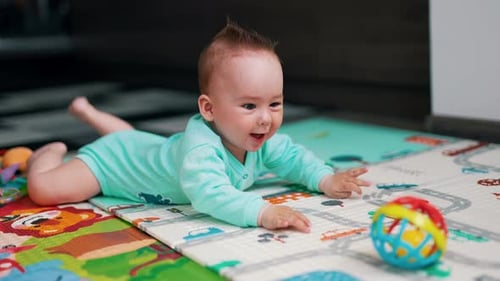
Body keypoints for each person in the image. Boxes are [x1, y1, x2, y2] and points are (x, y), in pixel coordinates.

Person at [27, 20, 370, 233]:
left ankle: (90, 112)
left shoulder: (262, 137)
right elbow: (210, 195)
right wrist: (262, 212)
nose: (265, 118)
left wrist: (325, 178)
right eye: (249, 105)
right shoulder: (201, 149)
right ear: (209, 108)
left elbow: (295, 158)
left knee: (133, 140)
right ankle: (47, 153)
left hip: (139, 146)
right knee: (45, 191)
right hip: (111, 165)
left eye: (274, 104)